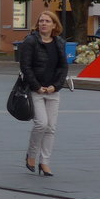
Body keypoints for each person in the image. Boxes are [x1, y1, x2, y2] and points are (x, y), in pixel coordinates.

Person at [19, 10, 68, 176]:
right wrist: (37, 86)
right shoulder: (30, 41)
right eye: (41, 21)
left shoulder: (59, 42)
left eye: (47, 21)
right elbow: (25, 67)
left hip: (53, 90)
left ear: (54, 25)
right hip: (36, 90)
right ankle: (31, 155)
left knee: (51, 128)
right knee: (41, 123)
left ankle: (45, 162)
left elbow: (63, 67)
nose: (43, 24)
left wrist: (56, 86)